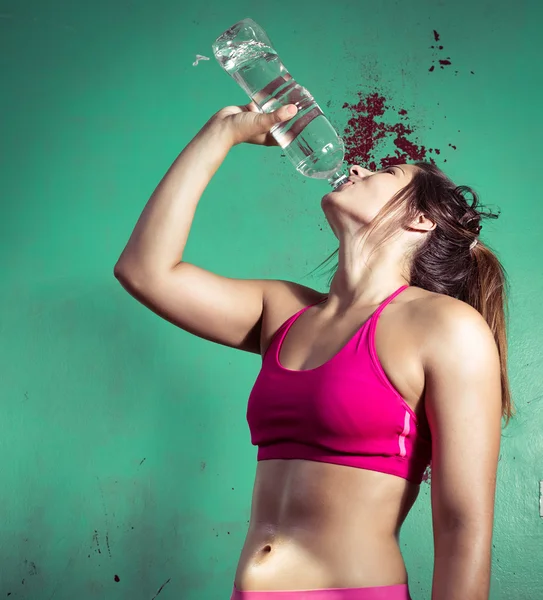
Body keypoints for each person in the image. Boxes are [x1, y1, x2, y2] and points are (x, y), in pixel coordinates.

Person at [114, 102, 514, 600]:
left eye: (385, 171)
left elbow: (462, 526)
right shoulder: (283, 311)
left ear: (421, 220)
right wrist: (219, 136)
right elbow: (144, 270)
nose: (357, 168)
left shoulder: (447, 328)